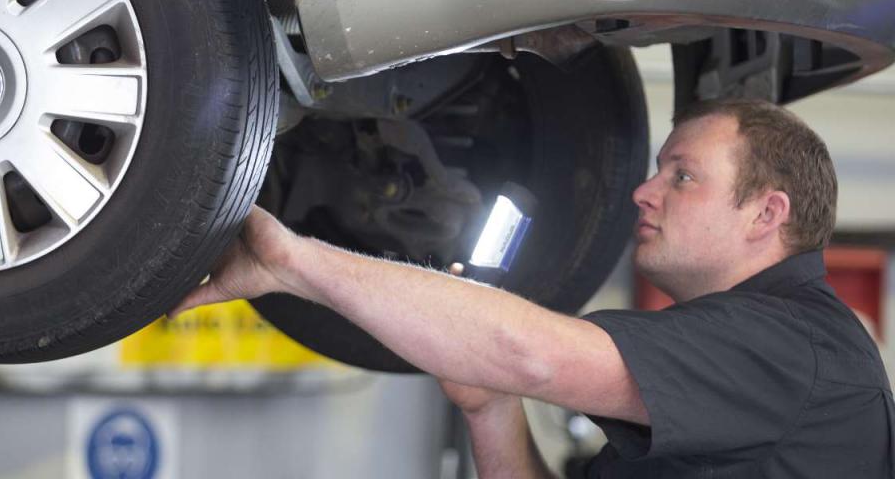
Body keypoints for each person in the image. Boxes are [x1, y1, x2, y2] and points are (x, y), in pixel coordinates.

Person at [172, 99, 894, 478]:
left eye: (682, 175)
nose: (644, 191)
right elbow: (519, 371)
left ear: (767, 215)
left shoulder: (796, 349)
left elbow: (533, 353)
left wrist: (295, 263)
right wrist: (491, 408)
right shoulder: (737, 363)